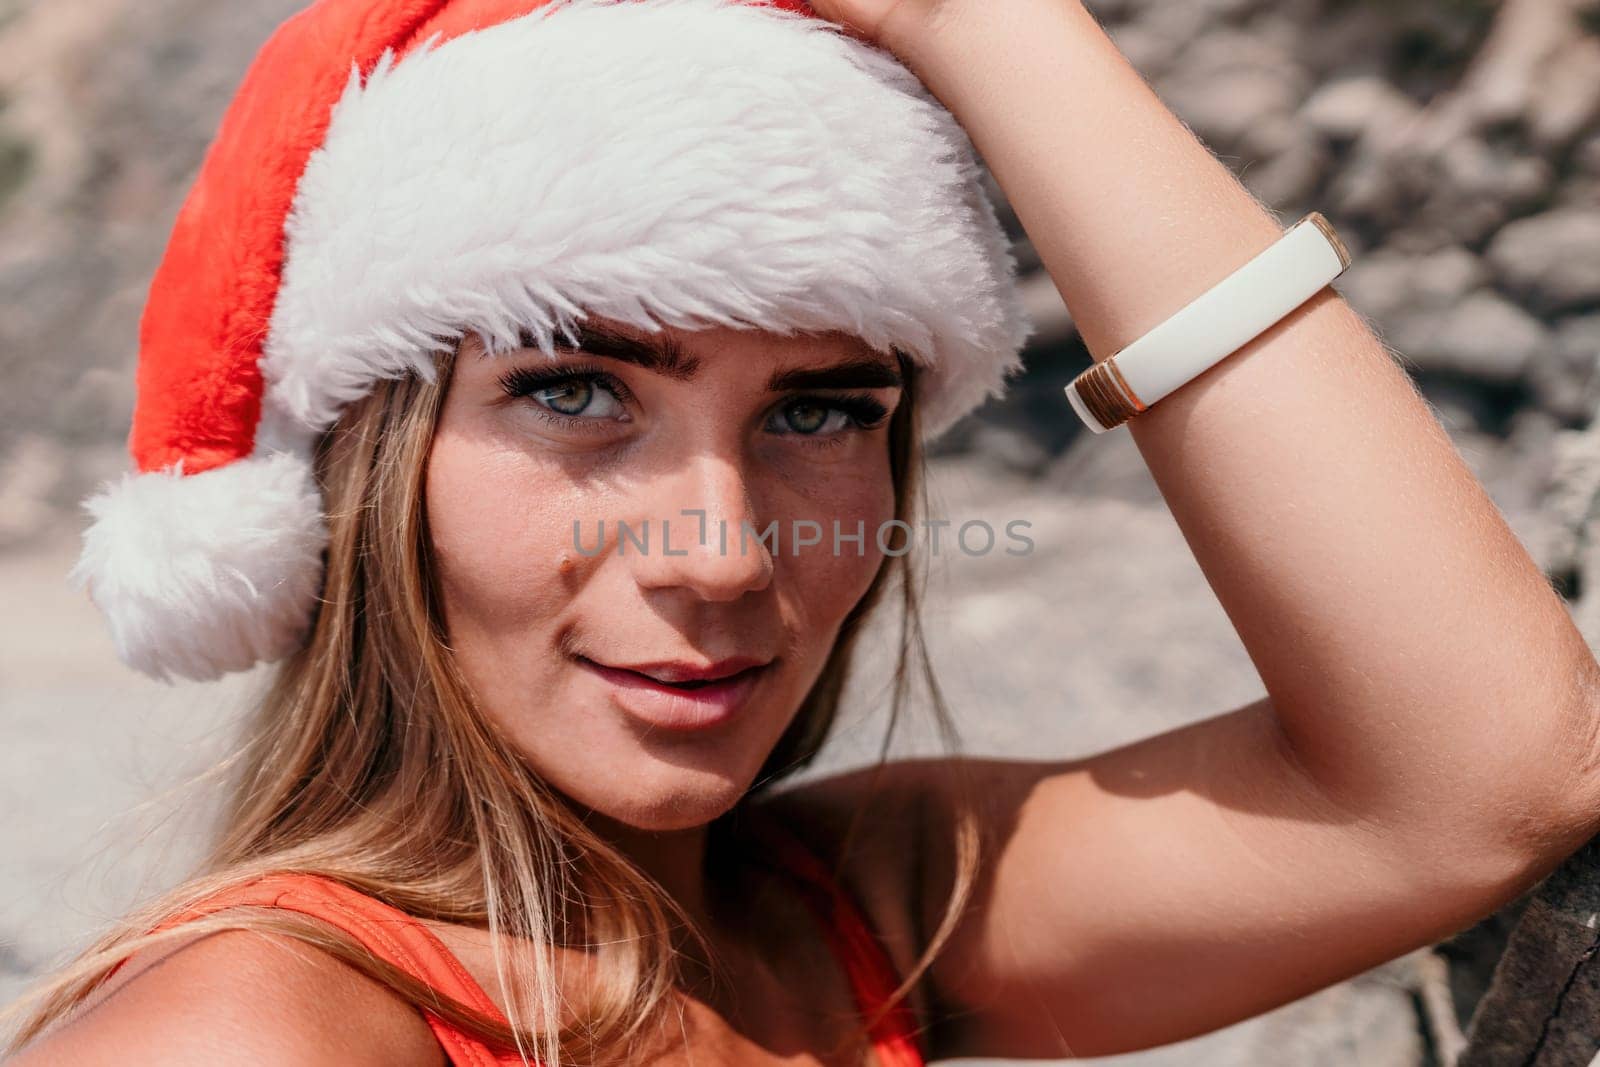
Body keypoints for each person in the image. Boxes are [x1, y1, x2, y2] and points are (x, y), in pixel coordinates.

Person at [6, 0, 1599, 1063]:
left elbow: (1480, 774)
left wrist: (981, 23)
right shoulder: (253, 1033)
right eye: (574, 393)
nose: (721, 553)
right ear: (370, 472)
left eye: (823, 410)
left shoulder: (857, 917)